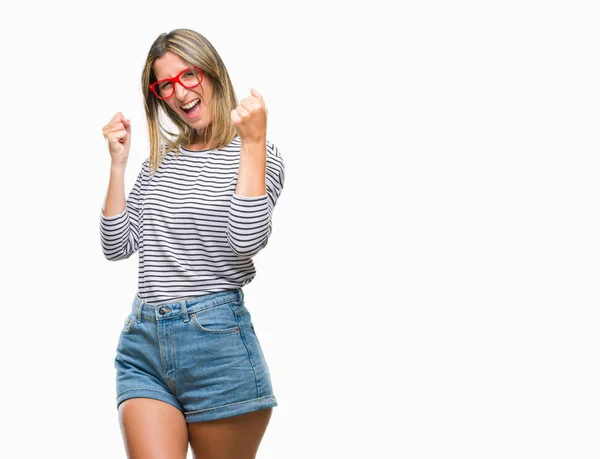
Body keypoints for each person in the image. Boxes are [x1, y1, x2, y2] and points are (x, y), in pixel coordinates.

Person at [99, 28, 285, 459]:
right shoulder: (160, 163)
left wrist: (253, 141)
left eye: (188, 76)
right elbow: (117, 245)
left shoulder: (260, 153)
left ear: (212, 73)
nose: (179, 92)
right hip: (143, 343)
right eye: (165, 84)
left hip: (216, 344)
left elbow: (246, 240)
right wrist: (118, 166)